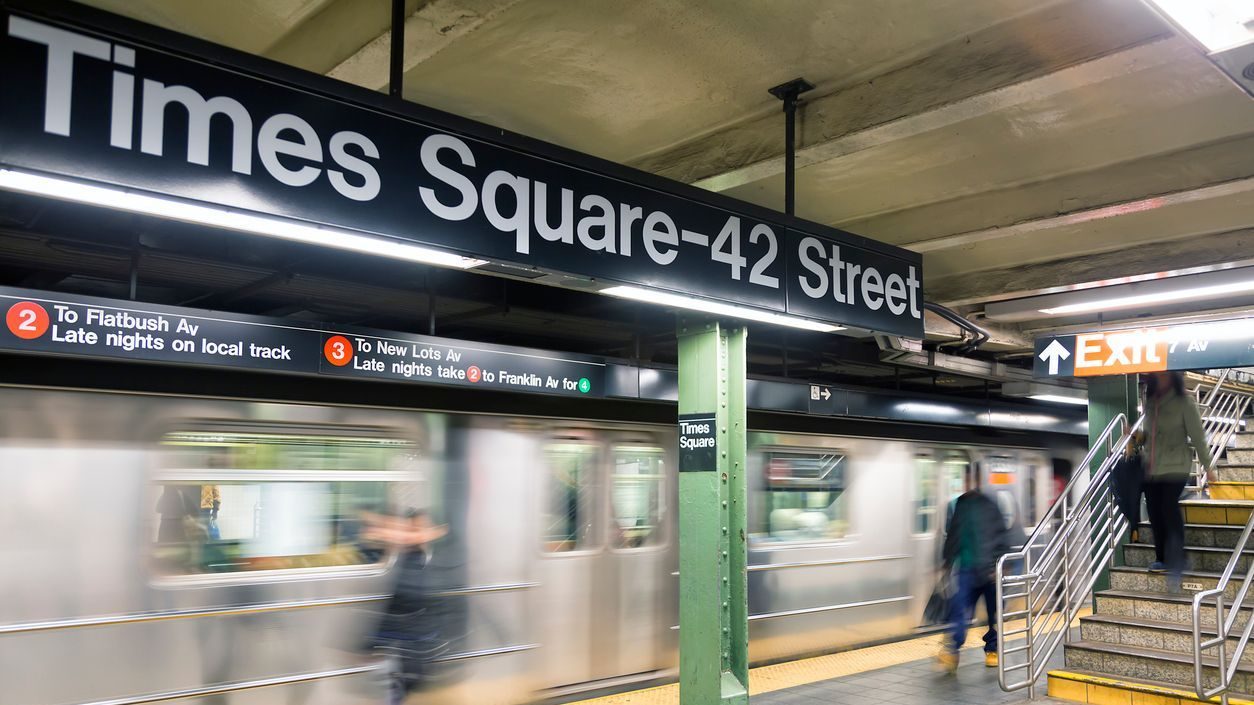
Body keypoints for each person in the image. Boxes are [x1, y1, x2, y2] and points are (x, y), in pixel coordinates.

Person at [361, 510, 450, 705]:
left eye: (419, 528)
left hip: (421, 641)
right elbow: (399, 602)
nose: (414, 533)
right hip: (406, 640)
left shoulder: (438, 559)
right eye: (412, 527)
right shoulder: (405, 559)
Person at [1143, 371, 1211, 592]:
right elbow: (1147, 435)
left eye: (1164, 374)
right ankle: (1162, 558)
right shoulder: (1152, 402)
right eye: (1157, 375)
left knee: (1167, 507)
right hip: (1153, 468)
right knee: (1154, 512)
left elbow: (1198, 436)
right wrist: (1134, 438)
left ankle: (1179, 558)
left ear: (1174, 377)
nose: (1160, 377)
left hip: (1177, 466)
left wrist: (1208, 467)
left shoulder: (1185, 402)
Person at [939, 465, 1010, 673]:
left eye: (971, 480)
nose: (967, 484)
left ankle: (992, 649)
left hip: (988, 571)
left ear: (978, 481)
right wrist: (946, 562)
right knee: (959, 609)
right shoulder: (960, 504)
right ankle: (952, 650)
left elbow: (1000, 536)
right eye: (965, 480)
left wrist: (1000, 565)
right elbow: (953, 534)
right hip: (966, 570)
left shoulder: (989, 505)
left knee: (993, 614)